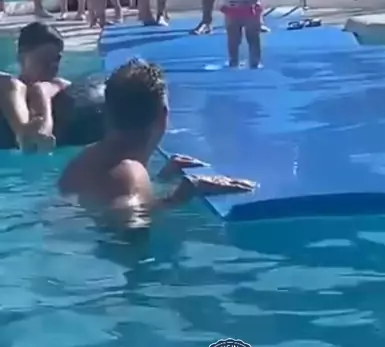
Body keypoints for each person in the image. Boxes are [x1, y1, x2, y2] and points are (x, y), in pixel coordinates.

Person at [58, 58, 255, 227]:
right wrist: (181, 195)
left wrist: (161, 180)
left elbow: (102, 202)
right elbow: (125, 230)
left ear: (107, 113)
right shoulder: (128, 173)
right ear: (163, 115)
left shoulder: (86, 157)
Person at [0, 22, 68, 151]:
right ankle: (23, 133)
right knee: (13, 84)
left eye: (57, 59)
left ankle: (42, 133)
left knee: (40, 89)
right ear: (21, 57)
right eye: (44, 59)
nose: (53, 65)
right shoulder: (9, 84)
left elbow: (41, 92)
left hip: (46, 91)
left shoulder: (55, 84)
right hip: (14, 87)